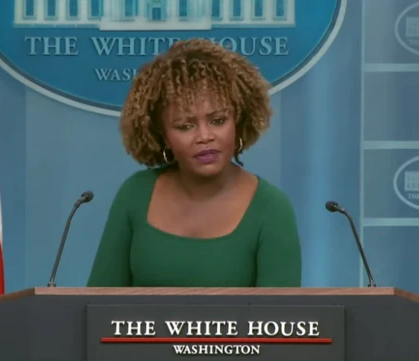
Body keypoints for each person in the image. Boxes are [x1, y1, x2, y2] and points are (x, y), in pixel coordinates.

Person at [87, 38, 301, 287]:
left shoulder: (272, 209)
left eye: (218, 120)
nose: (204, 136)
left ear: (239, 121)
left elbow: (281, 322)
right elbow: (95, 307)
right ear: (163, 135)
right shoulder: (135, 195)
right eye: (185, 126)